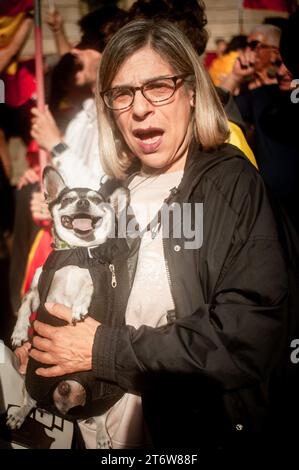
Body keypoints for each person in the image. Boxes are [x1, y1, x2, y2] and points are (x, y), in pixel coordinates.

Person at [27, 19, 290, 449]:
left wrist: (102, 349)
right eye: (123, 93)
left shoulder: (229, 186)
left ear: (190, 90)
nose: (140, 107)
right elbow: (93, 294)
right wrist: (46, 345)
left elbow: (247, 334)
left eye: (158, 87)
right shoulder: (114, 193)